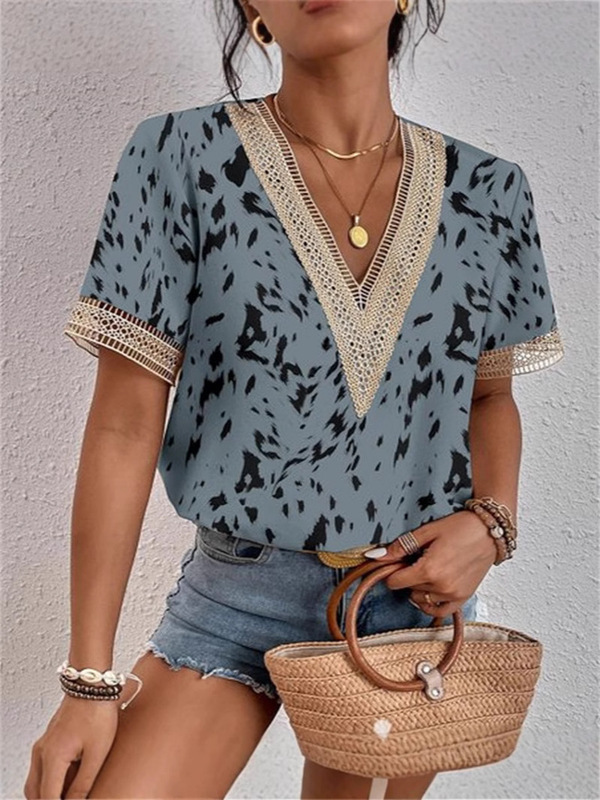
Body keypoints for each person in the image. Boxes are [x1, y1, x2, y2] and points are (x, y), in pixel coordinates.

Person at [25, 0, 565, 798]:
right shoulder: (179, 158)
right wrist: (89, 682)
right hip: (236, 598)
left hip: (409, 607)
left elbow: (489, 398)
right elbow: (123, 426)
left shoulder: (489, 192)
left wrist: (490, 524)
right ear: (255, 11)